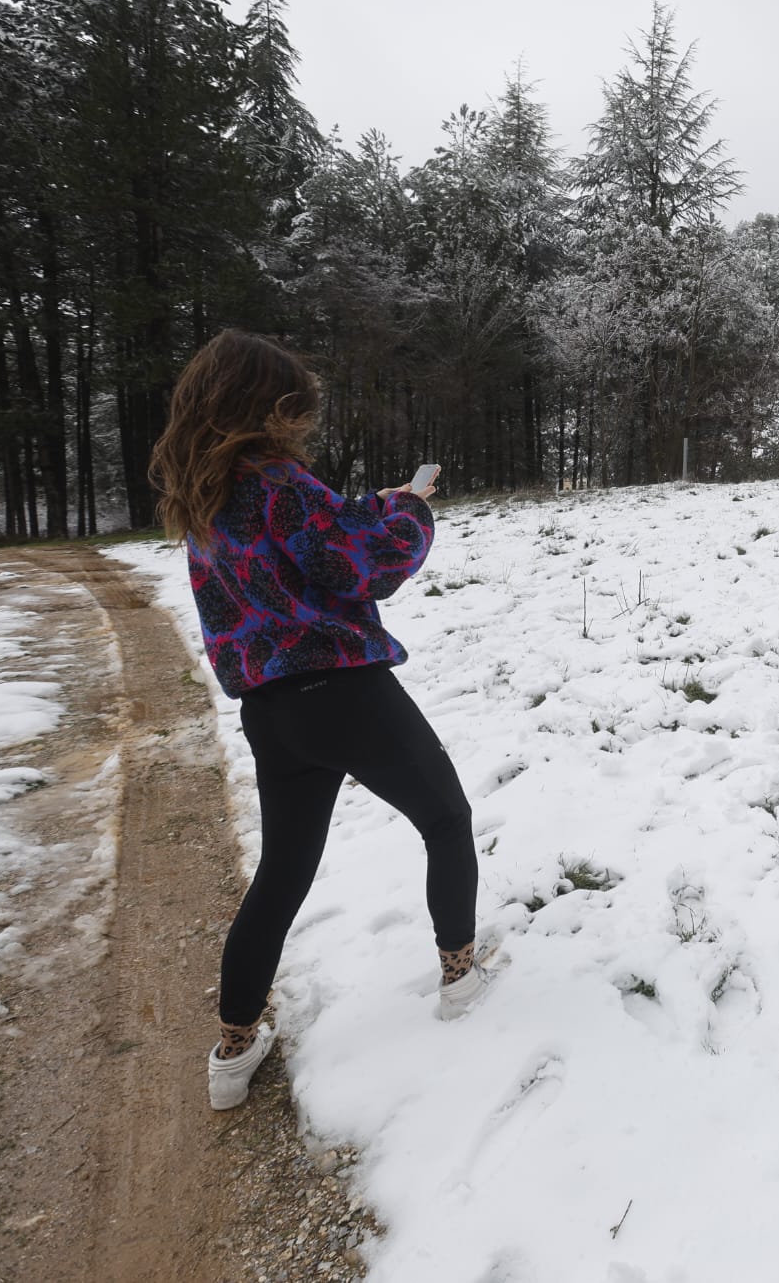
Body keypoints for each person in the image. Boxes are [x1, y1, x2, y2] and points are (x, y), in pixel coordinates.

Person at [149, 329, 499, 1112]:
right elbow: (365, 565)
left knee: (284, 871)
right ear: (263, 406)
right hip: (344, 693)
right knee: (446, 817)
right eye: (290, 407)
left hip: (270, 711)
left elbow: (324, 533)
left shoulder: (205, 492)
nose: (297, 422)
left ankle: (232, 1050)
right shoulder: (280, 481)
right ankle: (461, 974)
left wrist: (372, 506)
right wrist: (412, 511)